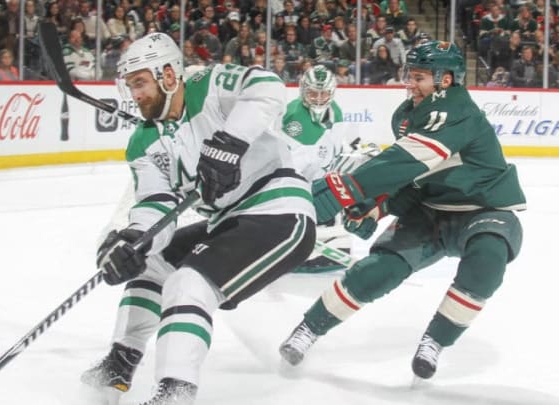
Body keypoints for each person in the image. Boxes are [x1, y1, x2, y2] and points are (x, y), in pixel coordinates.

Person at [81, 32, 317, 405]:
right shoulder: (144, 141)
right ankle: (120, 361)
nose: (135, 94)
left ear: (169, 76)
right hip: (227, 221)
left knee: (188, 283)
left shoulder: (206, 85)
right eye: (131, 86)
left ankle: (175, 393)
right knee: (151, 264)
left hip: (280, 211)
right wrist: (133, 240)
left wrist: (230, 141)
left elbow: (268, 86)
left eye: (140, 82)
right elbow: (155, 204)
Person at [278, 41, 526, 380]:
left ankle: (435, 341)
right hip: (429, 210)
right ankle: (309, 328)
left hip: (484, 208)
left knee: (488, 259)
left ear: (446, 80)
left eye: (420, 76)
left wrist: (344, 187)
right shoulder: (406, 116)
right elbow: (412, 175)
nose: (410, 82)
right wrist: (375, 210)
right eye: (410, 74)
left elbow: (407, 158)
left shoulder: (457, 108)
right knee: (378, 270)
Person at [282, 65, 379, 272]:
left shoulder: (335, 111)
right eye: (313, 93)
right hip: (293, 182)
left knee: (337, 196)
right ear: (303, 91)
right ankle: (294, 246)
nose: (318, 98)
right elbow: (282, 158)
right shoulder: (293, 116)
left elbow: (332, 147)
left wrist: (357, 150)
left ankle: (331, 245)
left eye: (323, 93)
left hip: (318, 176)